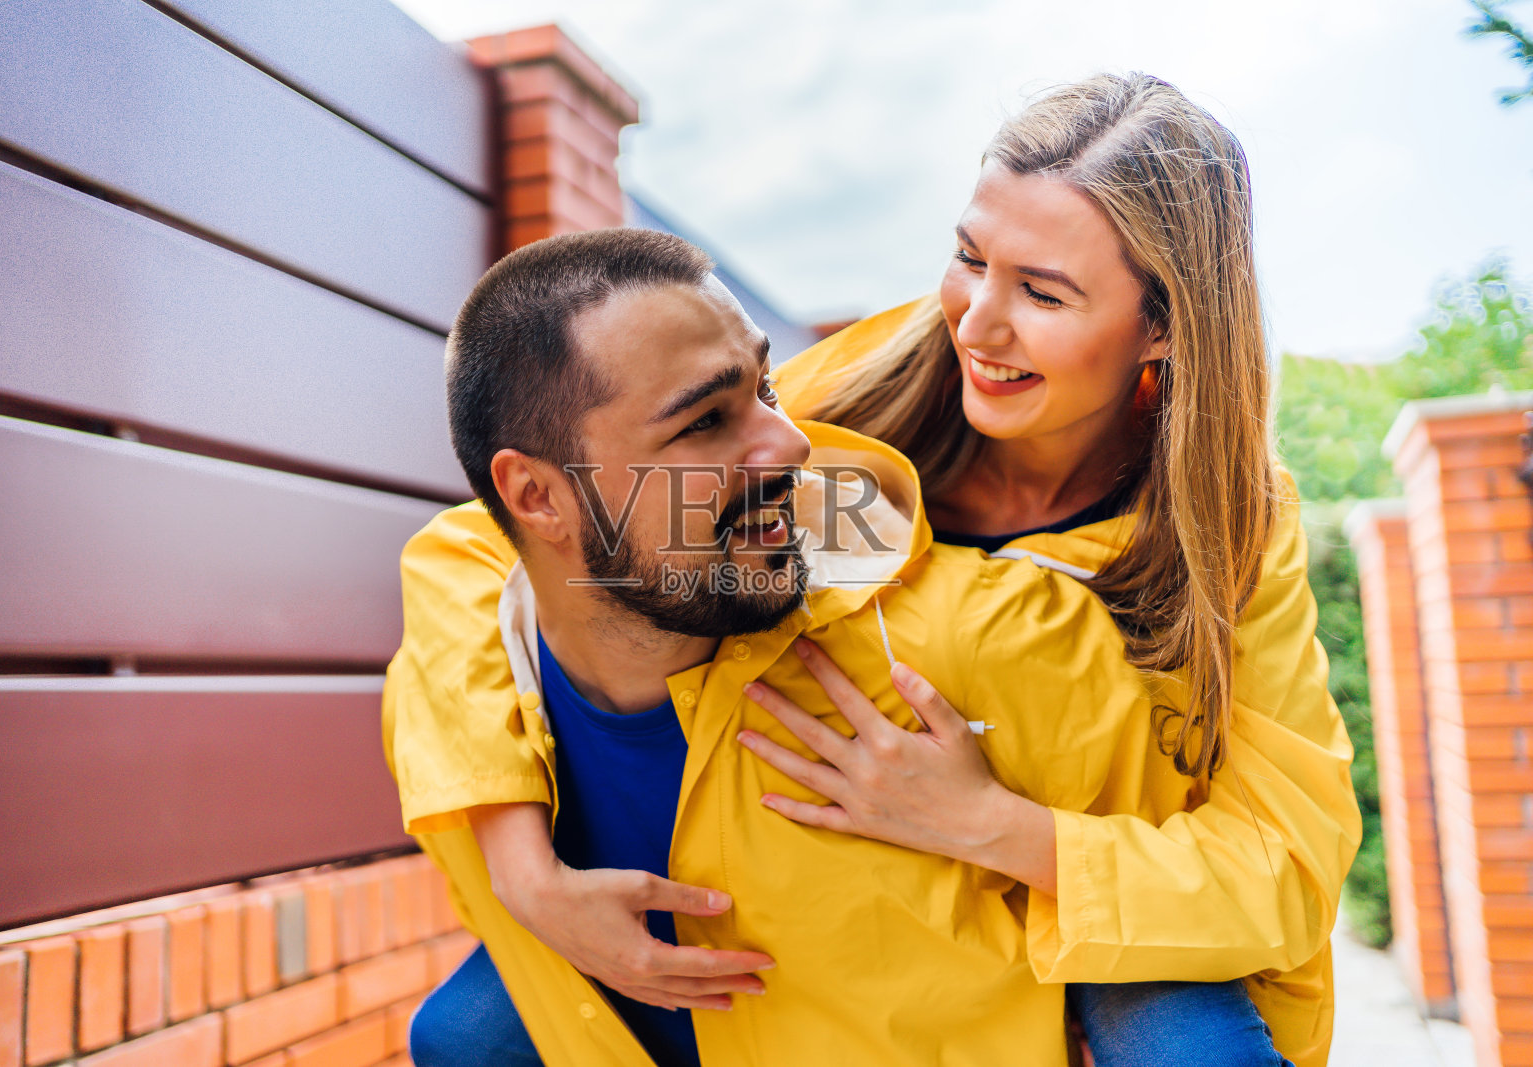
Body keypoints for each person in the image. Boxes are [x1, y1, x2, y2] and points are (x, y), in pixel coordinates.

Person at [387, 74, 1360, 1067]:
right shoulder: (849, 402)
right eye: (969, 258)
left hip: (1087, 907)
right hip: (843, 902)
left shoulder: (1223, 522)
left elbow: (1282, 862)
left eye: (1043, 292)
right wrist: (523, 869)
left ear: (1162, 322)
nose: (976, 324)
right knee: (470, 1034)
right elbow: (486, 542)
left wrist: (997, 826)